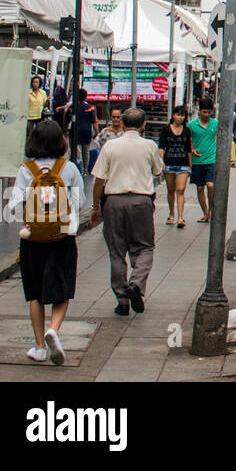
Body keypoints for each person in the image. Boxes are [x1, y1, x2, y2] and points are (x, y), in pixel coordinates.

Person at [10, 121, 85, 364]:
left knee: (34, 293)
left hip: (32, 238)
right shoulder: (70, 168)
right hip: (62, 237)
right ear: (61, 142)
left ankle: (40, 347)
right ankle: (54, 329)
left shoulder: (26, 169)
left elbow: (14, 205)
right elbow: (80, 201)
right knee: (62, 289)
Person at [90, 107, 163, 316]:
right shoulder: (150, 145)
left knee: (116, 251)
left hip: (113, 201)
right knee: (145, 248)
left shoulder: (111, 146)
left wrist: (96, 207)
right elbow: (158, 171)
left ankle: (122, 299)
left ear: (121, 123)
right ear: (143, 125)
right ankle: (136, 284)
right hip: (141, 201)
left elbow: (99, 180)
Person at [158, 106, 193, 227]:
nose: (180, 117)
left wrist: (190, 165)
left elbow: (189, 149)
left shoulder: (187, 131)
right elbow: (161, 146)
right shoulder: (165, 129)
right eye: (178, 115)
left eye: (182, 115)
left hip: (183, 164)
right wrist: (161, 161)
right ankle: (171, 214)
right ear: (173, 115)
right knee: (170, 190)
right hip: (169, 163)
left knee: (181, 190)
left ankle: (180, 218)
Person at [188, 98, 218, 222]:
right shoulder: (191, 125)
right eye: (204, 112)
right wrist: (192, 150)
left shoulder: (215, 124)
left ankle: (211, 211)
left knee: (210, 185)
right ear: (199, 111)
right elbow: (187, 141)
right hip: (197, 161)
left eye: (209, 112)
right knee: (200, 188)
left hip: (211, 159)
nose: (206, 115)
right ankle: (205, 213)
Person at [90, 106, 125, 187]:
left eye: (118, 117)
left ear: (121, 118)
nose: (115, 119)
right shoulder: (105, 132)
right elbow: (97, 145)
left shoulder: (124, 133)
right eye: (113, 117)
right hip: (106, 166)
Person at [69, 89, 97, 165]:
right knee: (86, 151)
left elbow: (67, 120)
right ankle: (85, 169)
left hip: (75, 132)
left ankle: (79, 168)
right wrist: (97, 132)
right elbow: (94, 122)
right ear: (86, 97)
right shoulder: (90, 108)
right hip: (87, 132)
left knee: (77, 151)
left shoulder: (72, 107)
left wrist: (65, 131)